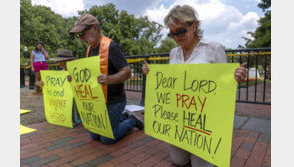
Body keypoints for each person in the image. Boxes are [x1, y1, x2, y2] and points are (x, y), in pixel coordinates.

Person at [142, 5, 247, 167]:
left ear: (194, 26)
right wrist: (150, 73)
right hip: (181, 117)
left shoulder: (213, 49)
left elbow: (225, 85)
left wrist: (235, 78)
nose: (176, 37)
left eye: (181, 31)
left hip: (205, 119)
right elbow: (171, 84)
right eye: (172, 33)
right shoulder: (173, 53)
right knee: (178, 160)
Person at [69, 14, 144, 144]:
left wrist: (109, 79)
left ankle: (131, 120)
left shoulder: (112, 47)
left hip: (115, 100)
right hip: (99, 101)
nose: (80, 38)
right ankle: (122, 118)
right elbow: (89, 75)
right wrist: (74, 78)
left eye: (82, 33)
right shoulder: (89, 50)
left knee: (107, 138)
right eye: (78, 35)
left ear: (94, 28)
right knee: (94, 136)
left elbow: (127, 73)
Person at [37, 49, 82, 126]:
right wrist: (43, 84)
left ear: (70, 61)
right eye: (58, 61)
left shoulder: (78, 71)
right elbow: (53, 87)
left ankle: (75, 118)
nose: (59, 64)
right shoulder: (60, 74)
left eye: (62, 61)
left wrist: (74, 81)